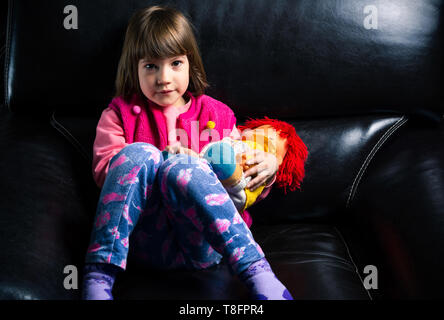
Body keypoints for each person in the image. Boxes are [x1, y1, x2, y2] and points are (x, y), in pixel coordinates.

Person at [82, 5, 293, 300]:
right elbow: (107, 176)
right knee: (141, 154)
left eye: (175, 64)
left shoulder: (216, 114)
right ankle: (98, 278)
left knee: (185, 167)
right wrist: (158, 161)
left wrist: (268, 166)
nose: (164, 78)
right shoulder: (119, 114)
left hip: (205, 241)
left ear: (190, 64)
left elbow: (239, 176)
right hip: (145, 240)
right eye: (151, 66)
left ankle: (258, 273)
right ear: (134, 68)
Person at [200, 117, 308, 213]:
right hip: (205, 175)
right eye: (257, 133)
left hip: (228, 204)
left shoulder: (267, 168)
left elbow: (264, 182)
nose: (260, 141)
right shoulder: (235, 141)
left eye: (269, 144)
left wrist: (272, 165)